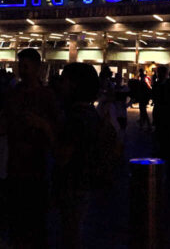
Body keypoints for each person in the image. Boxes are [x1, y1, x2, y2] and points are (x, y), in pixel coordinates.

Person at [2, 48, 59, 249]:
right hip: (16, 166)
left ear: (37, 68)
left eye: (26, 66)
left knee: (35, 223)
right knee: (18, 222)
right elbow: (4, 124)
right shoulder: (13, 94)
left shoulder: (46, 96)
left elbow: (56, 130)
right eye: (20, 66)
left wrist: (42, 126)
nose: (22, 70)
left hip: (37, 168)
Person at [54, 63, 111, 249]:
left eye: (64, 80)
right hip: (85, 182)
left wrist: (46, 130)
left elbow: (63, 155)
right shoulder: (90, 113)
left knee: (70, 233)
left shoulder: (76, 117)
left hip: (73, 184)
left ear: (74, 85)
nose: (59, 84)